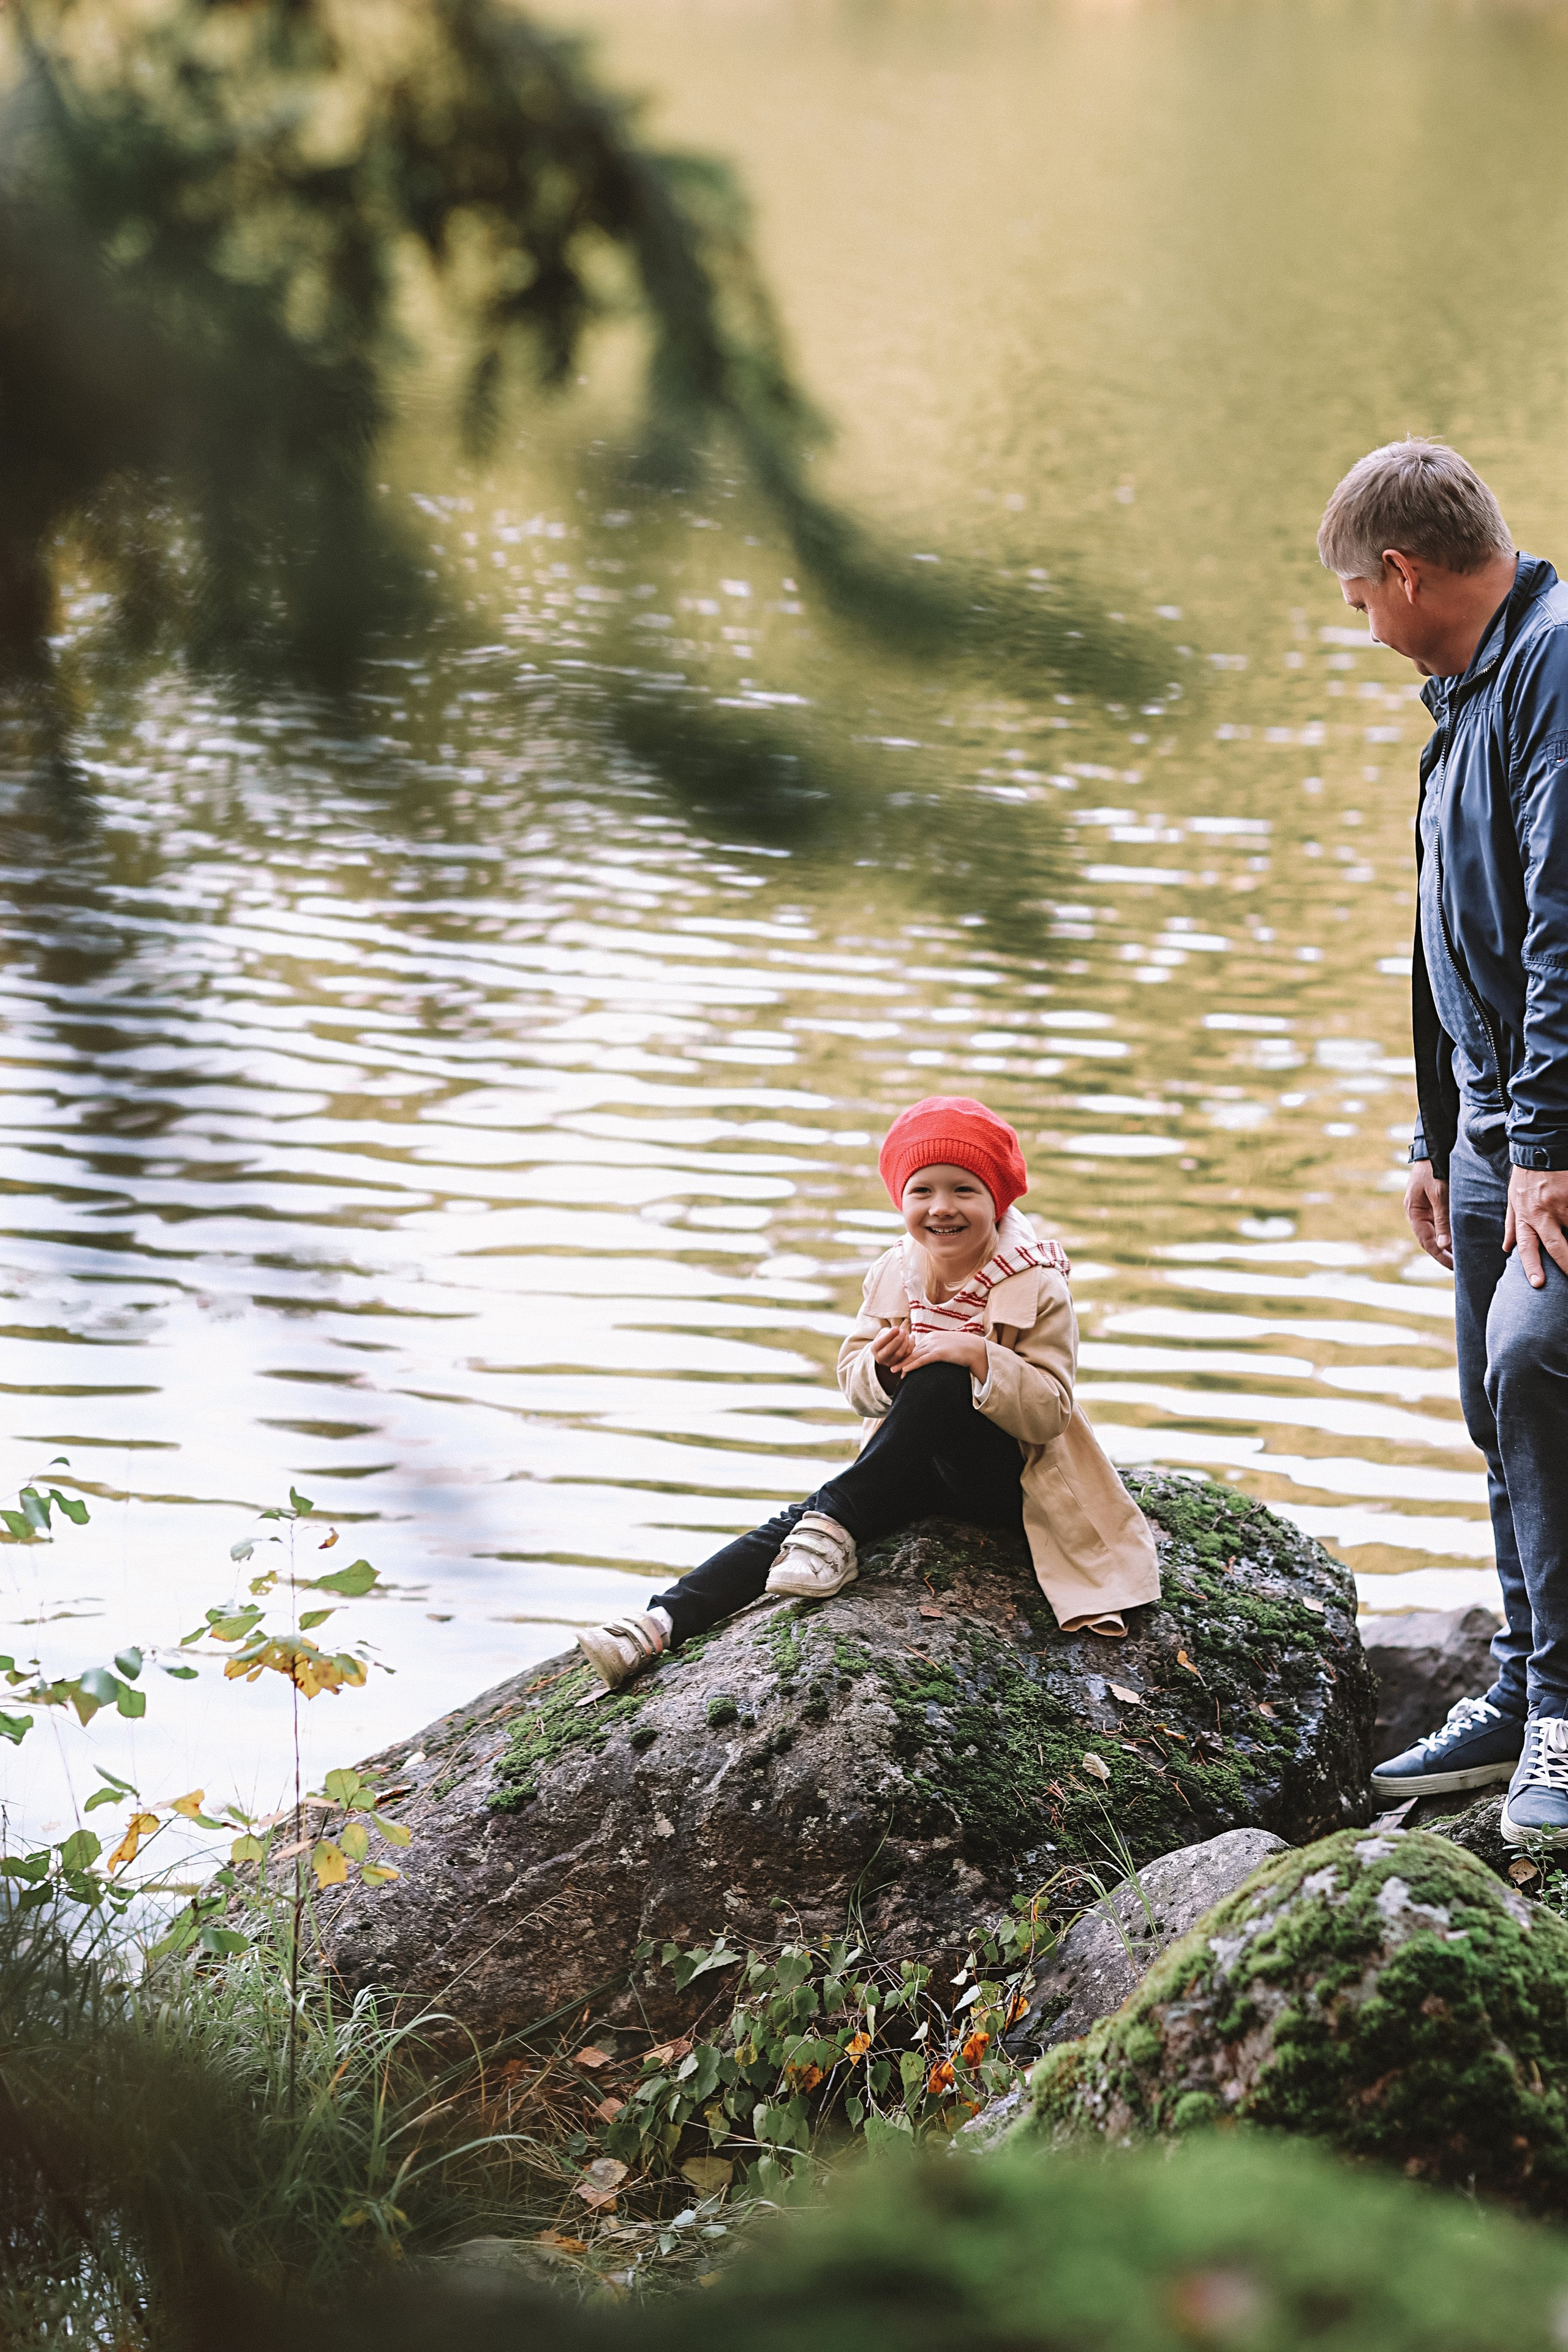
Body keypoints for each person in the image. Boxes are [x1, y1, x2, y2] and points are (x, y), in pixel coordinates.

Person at [1317, 439, 1568, 1843]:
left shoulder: (1548, 663)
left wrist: (1539, 1140)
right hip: (1484, 1122)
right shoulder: (1459, 697)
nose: (1362, 625)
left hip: (1547, 1122)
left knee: (1539, 1371)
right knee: (1493, 1403)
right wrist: (1434, 1132)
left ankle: (1561, 1709)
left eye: (1359, 598)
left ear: (1402, 571)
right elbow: (1438, 938)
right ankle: (1524, 1680)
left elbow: (1558, 915)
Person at [576, 1095, 1159, 1689]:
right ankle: (660, 1623)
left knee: (928, 1391)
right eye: (922, 1191)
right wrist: (880, 1369)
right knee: (813, 1518)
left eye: (964, 1190)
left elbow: (1051, 1411)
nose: (941, 1209)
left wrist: (977, 1354)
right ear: (901, 1200)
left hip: (1007, 1478)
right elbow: (854, 1380)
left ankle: (832, 1524)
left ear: (997, 1200)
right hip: (921, 1465)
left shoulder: (1036, 1281)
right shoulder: (895, 1271)